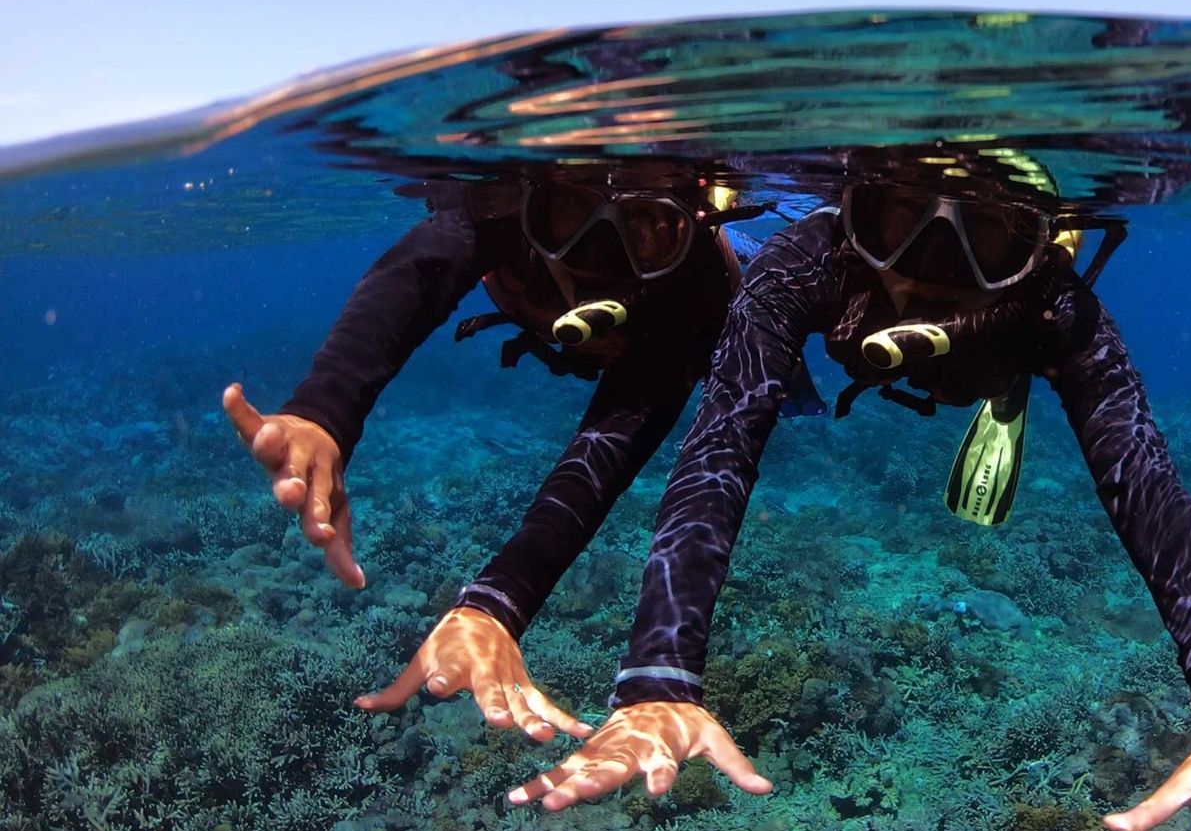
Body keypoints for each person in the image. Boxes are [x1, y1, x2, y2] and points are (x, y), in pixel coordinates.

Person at [504, 147, 1191, 831]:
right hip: (826, 327)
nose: (921, 275)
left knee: (997, 370)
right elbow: (717, 447)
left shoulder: (1053, 305)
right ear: (852, 216)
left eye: (983, 240)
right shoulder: (803, 262)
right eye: (897, 225)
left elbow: (1144, 478)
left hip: (994, 359)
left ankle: (1006, 391)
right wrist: (657, 678)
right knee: (757, 378)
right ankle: (882, 371)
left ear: (1032, 251)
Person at [222, 166, 804, 745]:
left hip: (681, 318)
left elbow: (608, 449)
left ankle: (743, 254)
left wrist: (500, 601)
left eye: (648, 227)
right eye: (570, 215)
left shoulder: (690, 287)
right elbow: (413, 277)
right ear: (534, 205)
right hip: (572, 310)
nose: (600, 255)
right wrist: (324, 412)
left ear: (685, 228)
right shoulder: (498, 214)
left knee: (756, 345)